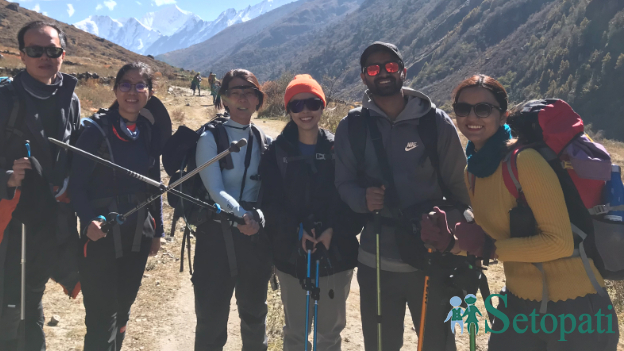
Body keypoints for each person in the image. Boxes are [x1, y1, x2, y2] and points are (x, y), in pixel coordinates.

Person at [428, 74, 620, 350]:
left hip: (577, 308)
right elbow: (496, 240)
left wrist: (490, 248)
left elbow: (559, 242)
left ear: (503, 115)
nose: (472, 116)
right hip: (518, 306)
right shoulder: (473, 171)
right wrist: (451, 242)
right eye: (463, 108)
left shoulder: (523, 162)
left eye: (483, 108)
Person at [333, 41, 469, 351]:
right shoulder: (352, 127)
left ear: (403, 72)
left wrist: (452, 232)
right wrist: (361, 199)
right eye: (373, 68)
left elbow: (462, 191)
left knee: (437, 344)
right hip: (376, 261)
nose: (382, 73)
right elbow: (343, 183)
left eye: (390, 66)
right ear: (364, 77)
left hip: (432, 262)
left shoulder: (434, 123)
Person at [0, 21, 81, 351]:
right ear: (22, 55)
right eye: (35, 51)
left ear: (62, 54)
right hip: (12, 220)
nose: (44, 57)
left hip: (52, 220)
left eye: (52, 50)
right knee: (8, 309)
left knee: (31, 299)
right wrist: (7, 177)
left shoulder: (70, 99)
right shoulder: (4, 100)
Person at [259, 74, 359, 351]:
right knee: (295, 334)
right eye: (297, 105)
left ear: (322, 106)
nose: (305, 111)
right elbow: (269, 204)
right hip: (292, 256)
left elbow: (352, 199)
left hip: (335, 254)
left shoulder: (341, 148)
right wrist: (296, 230)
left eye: (313, 103)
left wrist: (333, 230)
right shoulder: (275, 153)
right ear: (288, 109)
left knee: (329, 334)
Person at [69, 62, 164, 351]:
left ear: (149, 92)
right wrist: (88, 220)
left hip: (138, 234)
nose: (132, 92)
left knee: (123, 310)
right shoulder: (96, 130)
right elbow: (76, 185)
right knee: (100, 317)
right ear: (115, 89)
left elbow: (155, 184)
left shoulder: (147, 132)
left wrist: (157, 230)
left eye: (139, 85)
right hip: (101, 234)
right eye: (125, 84)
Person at [193, 69, 272, 351]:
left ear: (258, 100)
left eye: (249, 91)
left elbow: (271, 192)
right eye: (235, 92)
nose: (242, 97)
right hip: (216, 237)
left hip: (253, 238)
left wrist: (258, 218)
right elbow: (215, 190)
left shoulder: (263, 140)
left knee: (254, 315)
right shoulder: (210, 137)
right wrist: (245, 216)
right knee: (211, 320)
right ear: (224, 98)